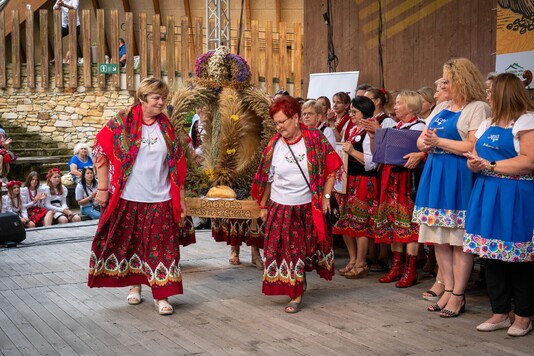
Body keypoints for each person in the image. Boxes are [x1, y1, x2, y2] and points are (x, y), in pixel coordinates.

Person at [88, 77, 190, 316]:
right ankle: (135, 285)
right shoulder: (121, 122)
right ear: (142, 99)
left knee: (162, 247)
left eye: (163, 98)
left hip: (161, 198)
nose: (161, 102)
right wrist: (103, 188)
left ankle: (161, 295)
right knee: (132, 243)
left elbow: (177, 165)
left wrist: (181, 197)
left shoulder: (167, 126)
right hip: (130, 197)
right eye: (156, 98)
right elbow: (100, 151)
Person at [413, 57, 491, 318]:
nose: (444, 84)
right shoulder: (443, 105)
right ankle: (446, 288)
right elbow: (422, 142)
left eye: (448, 80)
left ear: (462, 81)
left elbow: (472, 146)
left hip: (458, 174)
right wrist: (426, 143)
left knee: (458, 240)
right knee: (438, 238)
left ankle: (458, 294)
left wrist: (439, 142)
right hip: (435, 172)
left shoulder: (478, 107)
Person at [251, 96, 342, 313]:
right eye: (276, 122)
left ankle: (297, 288)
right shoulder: (274, 145)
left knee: (298, 250)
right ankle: (296, 290)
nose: (279, 126)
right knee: (283, 251)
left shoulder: (314, 138)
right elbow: (267, 178)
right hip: (280, 207)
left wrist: (327, 198)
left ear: (295, 117)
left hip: (306, 208)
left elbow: (331, 169)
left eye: (282, 121)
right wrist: (263, 206)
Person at [463, 73, 534, 336]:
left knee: (518, 255)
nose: (488, 96)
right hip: (486, 190)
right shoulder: (487, 123)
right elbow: (477, 156)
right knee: (491, 254)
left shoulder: (526, 121)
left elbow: (529, 161)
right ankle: (499, 312)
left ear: (505, 93)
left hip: (515, 191)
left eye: (491, 91)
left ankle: (524, 315)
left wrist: (491, 165)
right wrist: (474, 163)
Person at [374, 91, 426, 288]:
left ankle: (410, 269)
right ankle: (396, 266)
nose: (395, 107)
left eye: (399, 103)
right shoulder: (398, 126)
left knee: (409, 225)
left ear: (410, 106)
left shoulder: (419, 126)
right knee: (394, 222)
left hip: (406, 180)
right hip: (392, 178)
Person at [333, 96, 378, 279]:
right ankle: (352, 259)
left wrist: (351, 152)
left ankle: (361, 263)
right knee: (344, 221)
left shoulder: (369, 133)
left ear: (364, 113)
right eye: (350, 111)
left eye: (354, 112)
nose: (351, 115)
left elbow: (372, 162)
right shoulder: (353, 130)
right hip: (348, 180)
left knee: (360, 223)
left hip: (363, 181)